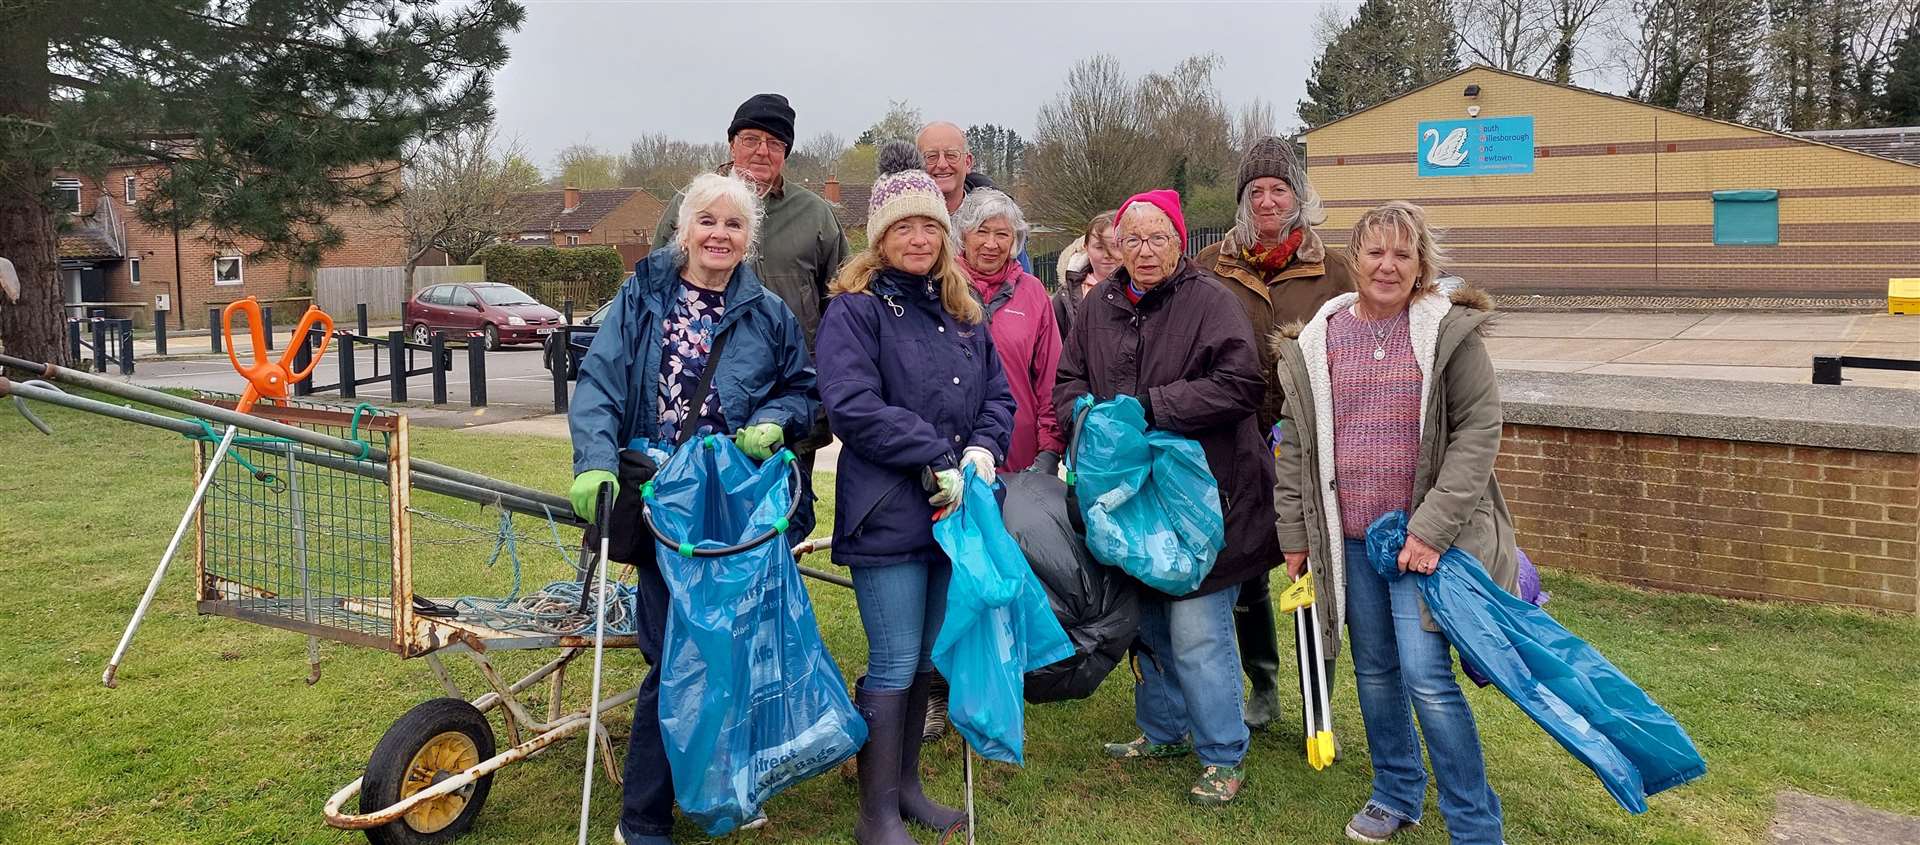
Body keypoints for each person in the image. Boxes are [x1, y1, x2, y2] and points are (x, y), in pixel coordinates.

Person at [568, 173, 819, 845]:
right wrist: (594, 459)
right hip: (659, 500)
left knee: (731, 649)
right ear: (685, 229)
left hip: (729, 505)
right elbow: (599, 380)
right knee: (677, 651)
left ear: (749, 238)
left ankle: (725, 785)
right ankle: (643, 818)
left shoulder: (767, 313)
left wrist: (774, 418)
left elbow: (803, 390)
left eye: (734, 225)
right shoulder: (643, 295)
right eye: (707, 221)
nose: (719, 234)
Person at [1270, 201, 1516, 844]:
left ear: (1421, 266)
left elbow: (1478, 433)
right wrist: (1295, 537)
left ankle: (1473, 821)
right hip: (1348, 539)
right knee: (1374, 672)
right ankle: (1395, 793)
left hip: (1421, 544)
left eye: (1403, 254)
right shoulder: (1318, 340)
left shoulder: (1447, 335)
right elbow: (1295, 446)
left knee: (1426, 676)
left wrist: (1430, 530)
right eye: (1376, 251)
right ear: (1354, 260)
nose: (1388, 265)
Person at [814, 141, 1015, 845]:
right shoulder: (857, 309)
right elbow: (852, 404)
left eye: (929, 226)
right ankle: (875, 813)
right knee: (896, 661)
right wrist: (934, 452)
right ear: (881, 237)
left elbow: (998, 393)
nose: (920, 238)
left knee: (926, 660)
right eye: (904, 227)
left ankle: (905, 788)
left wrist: (985, 449)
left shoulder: (962, 309)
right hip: (887, 511)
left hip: (953, 514)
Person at [1053, 189, 1278, 806]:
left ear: (1181, 242)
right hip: (1132, 494)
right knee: (1148, 617)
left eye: (1158, 239)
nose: (1144, 251)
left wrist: (1152, 408)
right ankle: (1164, 729)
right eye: (1133, 240)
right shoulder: (1100, 303)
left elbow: (1241, 385)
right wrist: (1085, 414)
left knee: (1199, 625)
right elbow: (1069, 378)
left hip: (1212, 495)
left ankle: (1222, 753)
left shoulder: (1213, 302)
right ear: (1116, 246)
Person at [1195, 136, 1356, 732]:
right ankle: (1262, 684)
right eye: (1255, 191)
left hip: (1309, 444)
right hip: (1232, 441)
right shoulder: (1212, 266)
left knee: (1309, 567)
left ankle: (1319, 700)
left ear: (1298, 196)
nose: (1266, 201)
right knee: (1242, 569)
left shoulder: (1335, 269)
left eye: (1278, 189)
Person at [653, 92, 846, 543]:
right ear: (731, 144)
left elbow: (841, 306)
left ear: (786, 153)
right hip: (694, 414)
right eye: (751, 138)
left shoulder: (815, 216)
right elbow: (654, 295)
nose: (762, 150)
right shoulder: (692, 207)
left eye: (775, 143)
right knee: (693, 539)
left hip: (786, 410)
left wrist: (822, 395)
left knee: (779, 530)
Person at [952, 187, 1064, 475]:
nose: (991, 244)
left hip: (1019, 448)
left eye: (1002, 234)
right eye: (982, 231)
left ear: (1015, 241)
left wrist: (1049, 448)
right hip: (952, 448)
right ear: (963, 235)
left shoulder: (1034, 293)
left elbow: (1051, 378)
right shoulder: (940, 287)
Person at [915, 121, 1031, 273]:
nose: (942, 164)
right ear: (916, 164)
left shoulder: (1002, 219)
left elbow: (1024, 286)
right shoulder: (902, 222)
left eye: (951, 155)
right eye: (930, 157)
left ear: (968, 162)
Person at [1051, 211, 1119, 342]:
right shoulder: (1065, 297)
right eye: (1099, 247)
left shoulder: (1142, 289)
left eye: (1115, 246)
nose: (1107, 254)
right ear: (1086, 247)